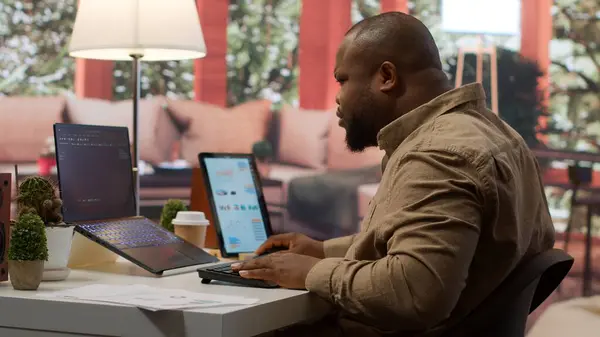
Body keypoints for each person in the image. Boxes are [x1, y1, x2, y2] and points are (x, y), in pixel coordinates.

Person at [232, 11, 555, 337]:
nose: (338, 98)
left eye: (343, 80)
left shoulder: (437, 154)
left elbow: (414, 292)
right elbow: (422, 243)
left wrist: (312, 271)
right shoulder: (499, 135)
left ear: (386, 76)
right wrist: (322, 250)